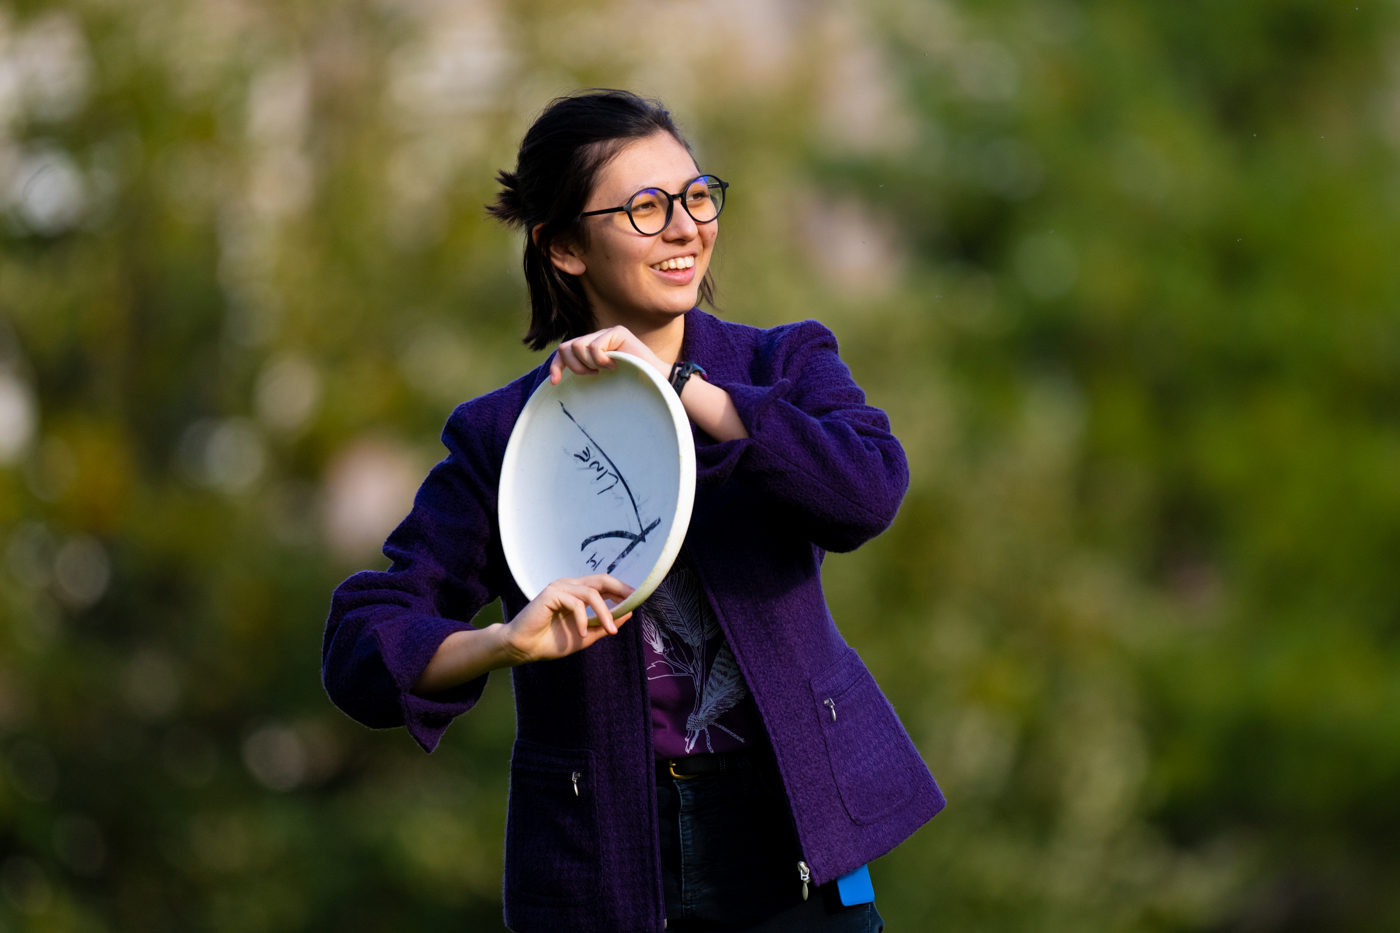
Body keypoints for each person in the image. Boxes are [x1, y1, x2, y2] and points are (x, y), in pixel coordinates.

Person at [321, 90, 944, 933]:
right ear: (565, 247)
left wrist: (689, 393)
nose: (686, 227)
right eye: (645, 208)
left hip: (797, 838)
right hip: (605, 861)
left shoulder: (780, 360)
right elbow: (363, 644)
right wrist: (501, 643)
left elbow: (868, 489)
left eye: (696, 197)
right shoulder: (507, 434)